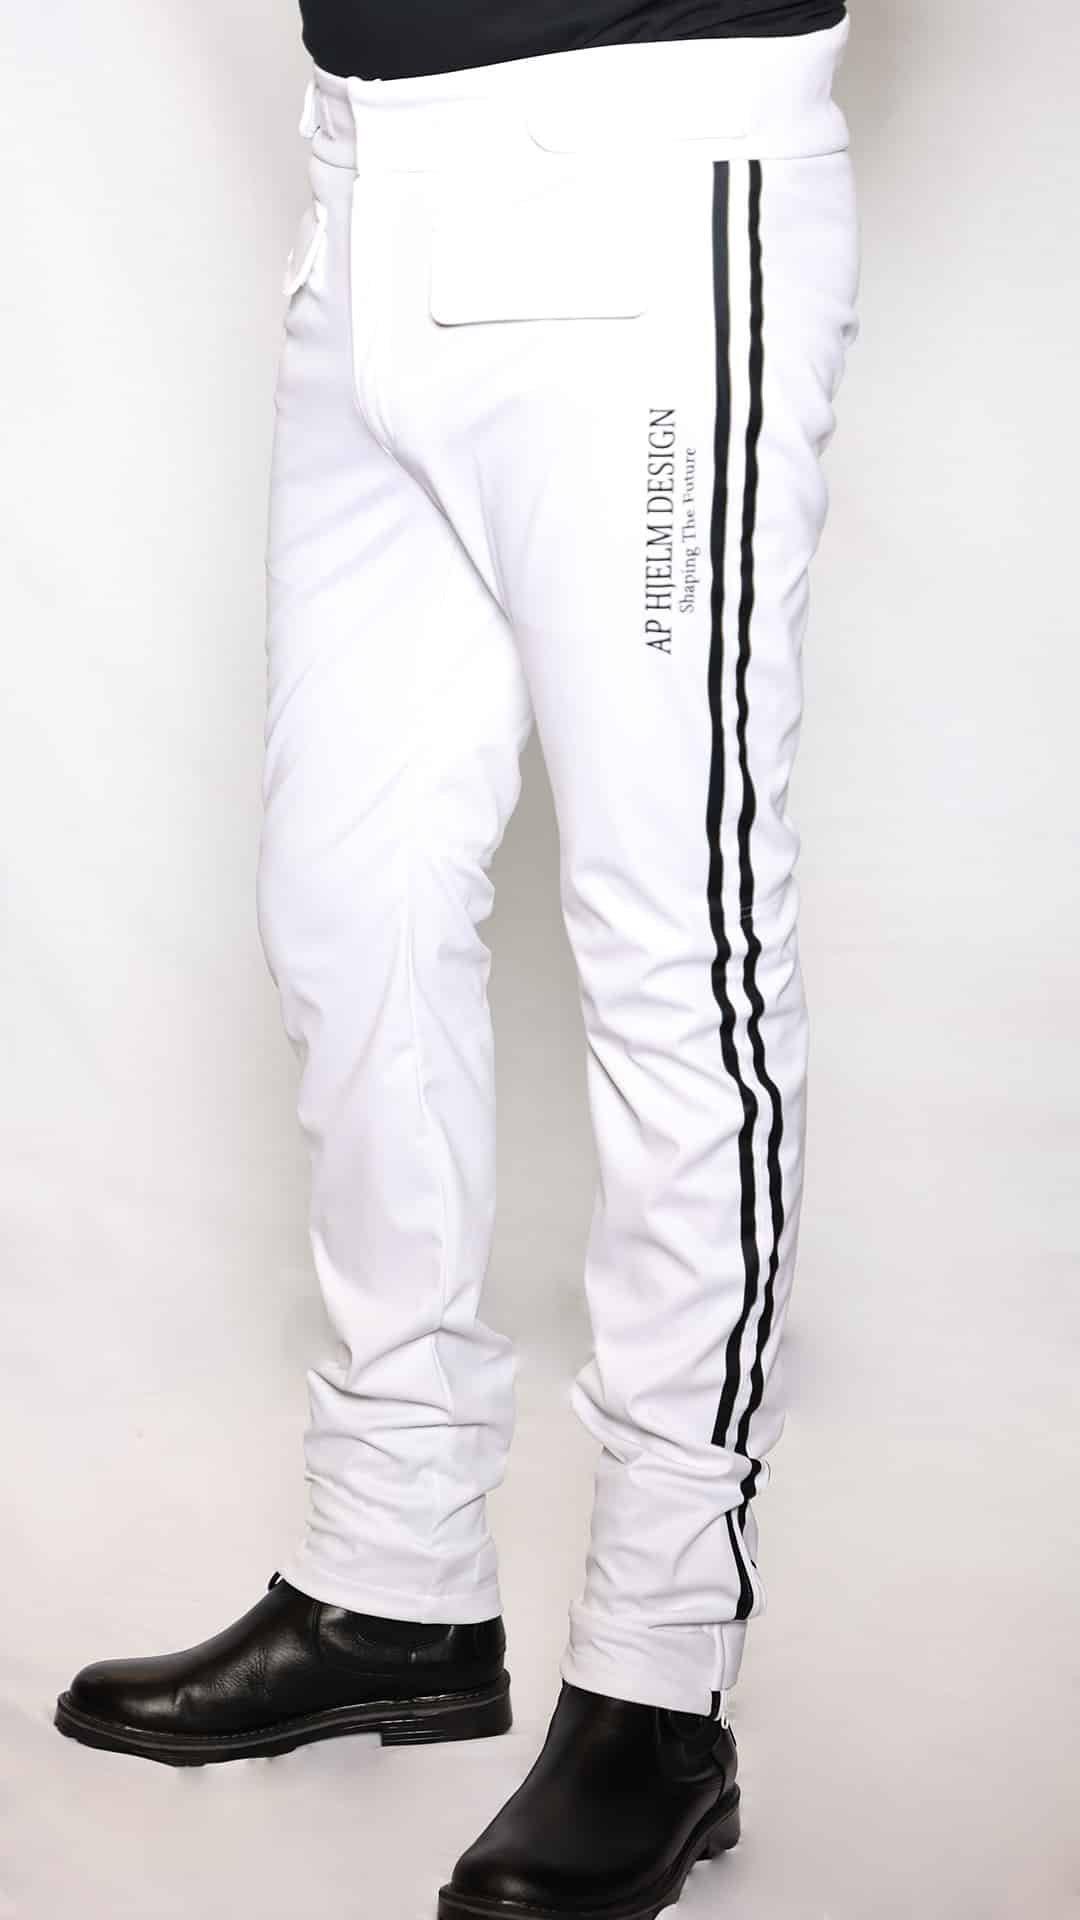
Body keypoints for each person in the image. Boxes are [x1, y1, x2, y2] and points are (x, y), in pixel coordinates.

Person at [55, 3, 859, 1914]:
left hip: (648, 188)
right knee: (350, 905)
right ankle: (391, 1574)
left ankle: (658, 1682)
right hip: (367, 186)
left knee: (677, 945)